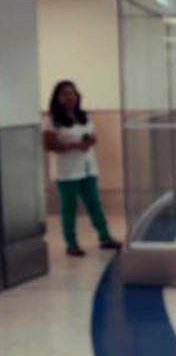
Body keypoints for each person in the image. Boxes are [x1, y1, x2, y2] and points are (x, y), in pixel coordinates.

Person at [43, 80, 122, 257]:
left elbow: (92, 136)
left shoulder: (84, 116)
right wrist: (73, 145)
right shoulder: (51, 120)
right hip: (66, 172)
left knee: (95, 204)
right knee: (69, 209)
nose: (69, 97)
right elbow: (49, 145)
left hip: (87, 168)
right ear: (57, 98)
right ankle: (71, 244)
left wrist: (89, 141)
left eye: (72, 93)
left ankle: (105, 237)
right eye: (64, 94)